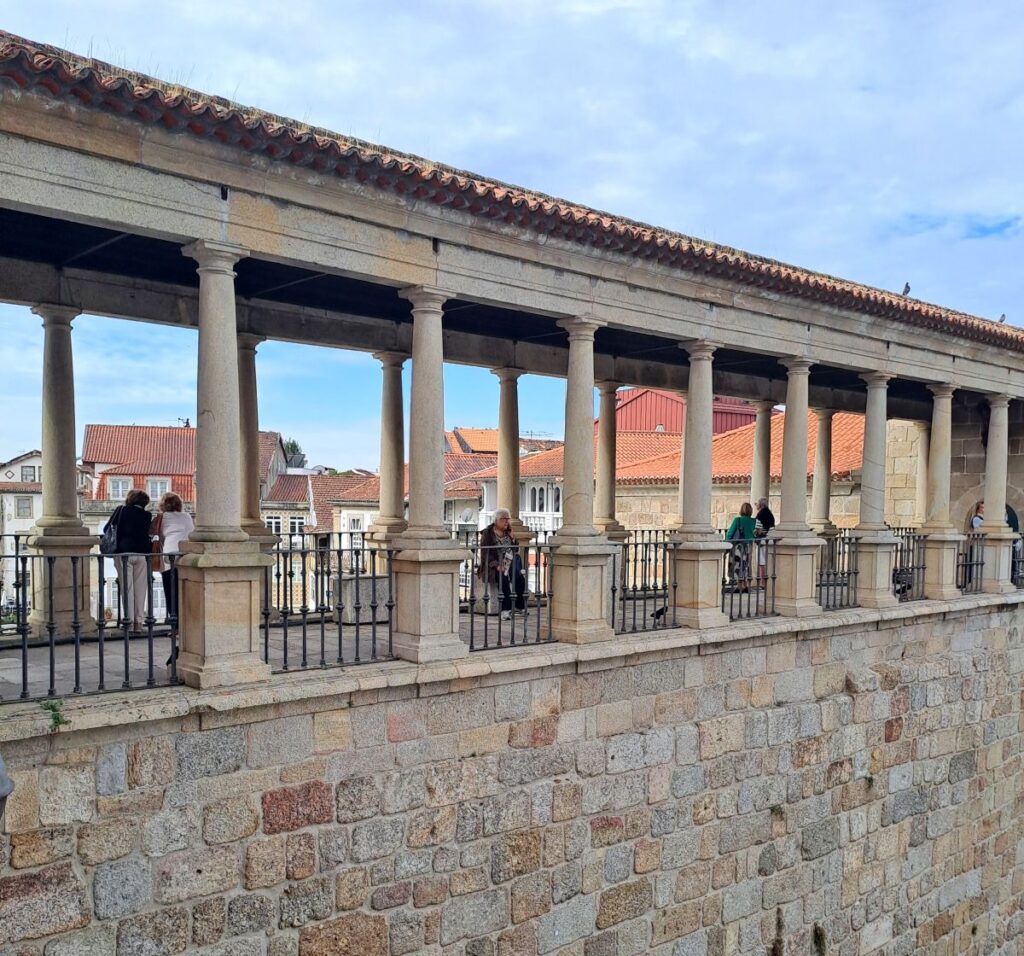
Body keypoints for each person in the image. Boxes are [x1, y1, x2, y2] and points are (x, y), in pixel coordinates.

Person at [109, 489, 152, 633]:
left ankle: (129, 621)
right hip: (142, 554)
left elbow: (110, 528)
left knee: (127, 588)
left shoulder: (122, 511)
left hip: (124, 552)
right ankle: (139, 622)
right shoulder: (147, 515)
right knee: (140, 589)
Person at [152, 492, 193, 638]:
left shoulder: (162, 518)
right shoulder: (187, 516)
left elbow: (158, 536)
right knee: (185, 593)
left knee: (171, 594)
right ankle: (188, 626)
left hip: (169, 558)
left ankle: (176, 628)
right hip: (186, 556)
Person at [477, 508, 526, 620]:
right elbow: (485, 554)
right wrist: (496, 565)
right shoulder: (488, 534)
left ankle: (519, 606)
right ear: (496, 520)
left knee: (519, 577)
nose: (507, 522)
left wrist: (513, 538)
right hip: (494, 564)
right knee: (503, 577)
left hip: (510, 561)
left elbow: (515, 549)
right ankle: (505, 610)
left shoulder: (508, 532)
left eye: (508, 519)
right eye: (504, 519)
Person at [725, 502, 757, 591]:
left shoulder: (737, 520)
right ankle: (746, 584)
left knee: (738, 565)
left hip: (738, 545)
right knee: (746, 564)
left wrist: (727, 543)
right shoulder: (754, 521)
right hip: (749, 545)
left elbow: (730, 533)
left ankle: (739, 585)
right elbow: (755, 533)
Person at [754, 497, 775, 585]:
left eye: (757, 504)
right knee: (768, 560)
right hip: (769, 540)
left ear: (761, 505)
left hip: (762, 540)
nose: (756, 506)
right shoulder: (770, 514)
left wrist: (755, 533)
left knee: (761, 561)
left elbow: (758, 529)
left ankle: (763, 582)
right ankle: (767, 581)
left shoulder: (760, 515)